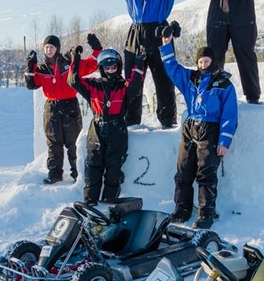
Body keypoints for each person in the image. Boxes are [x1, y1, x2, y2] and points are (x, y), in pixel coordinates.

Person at [103, 0, 192, 128]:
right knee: (132, 82)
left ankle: (168, 122)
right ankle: (132, 123)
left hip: (160, 32)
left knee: (164, 80)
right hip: (136, 35)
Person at [158, 22, 238, 229]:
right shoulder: (190, 79)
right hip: (190, 126)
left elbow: (230, 114)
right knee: (183, 171)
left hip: (210, 130)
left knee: (206, 173)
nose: (203, 64)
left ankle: (205, 214)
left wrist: (224, 140)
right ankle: (182, 209)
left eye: (207, 60)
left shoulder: (224, 84)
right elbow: (172, 67)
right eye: (200, 61)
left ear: (214, 61)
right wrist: (166, 44)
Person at [68, 44, 145, 204]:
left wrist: (139, 63)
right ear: (101, 68)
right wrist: (75, 58)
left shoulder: (123, 86)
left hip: (117, 131)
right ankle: (90, 208)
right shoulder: (93, 84)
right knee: (92, 172)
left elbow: (136, 85)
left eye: (113, 67)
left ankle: (108, 209)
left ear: (118, 67)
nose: (110, 70)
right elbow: (73, 80)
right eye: (107, 67)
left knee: (113, 174)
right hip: (96, 130)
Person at [25, 34, 102, 184]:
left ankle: (77, 172)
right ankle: (54, 173)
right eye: (46, 47)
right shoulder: (41, 69)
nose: (48, 50)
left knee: (73, 141)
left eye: (51, 47)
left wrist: (97, 49)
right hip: (51, 108)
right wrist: (31, 64)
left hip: (69, 105)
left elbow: (92, 65)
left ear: (57, 48)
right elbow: (31, 84)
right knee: (54, 142)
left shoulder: (69, 64)